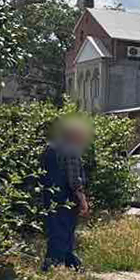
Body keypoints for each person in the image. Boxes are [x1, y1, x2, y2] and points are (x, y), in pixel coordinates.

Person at [41, 116, 91, 270]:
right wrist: (82, 200)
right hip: (66, 197)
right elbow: (74, 180)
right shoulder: (71, 151)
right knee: (65, 231)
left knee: (56, 230)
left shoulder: (50, 148)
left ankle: (70, 263)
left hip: (49, 195)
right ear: (74, 135)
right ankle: (53, 265)